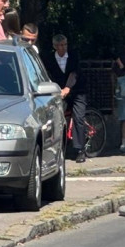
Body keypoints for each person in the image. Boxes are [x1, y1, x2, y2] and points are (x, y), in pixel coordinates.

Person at [43, 34, 89, 163]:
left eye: (64, 45)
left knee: (78, 117)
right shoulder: (49, 59)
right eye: (59, 46)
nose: (62, 48)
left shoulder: (73, 55)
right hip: (60, 91)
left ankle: (80, 150)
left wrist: (68, 88)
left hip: (77, 90)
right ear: (54, 46)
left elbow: (74, 72)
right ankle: (56, 148)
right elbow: (49, 75)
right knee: (56, 117)